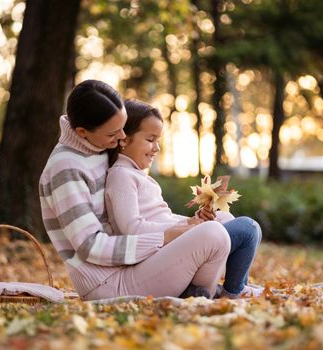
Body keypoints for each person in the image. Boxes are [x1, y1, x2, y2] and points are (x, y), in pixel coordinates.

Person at [39, 80, 230, 301]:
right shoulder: (65, 169)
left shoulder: (98, 147)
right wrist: (167, 236)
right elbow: (90, 246)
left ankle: (202, 290)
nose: (122, 138)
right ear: (82, 131)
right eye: (113, 132)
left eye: (123, 126)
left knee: (223, 221)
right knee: (213, 235)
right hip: (109, 281)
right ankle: (202, 295)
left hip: (138, 264)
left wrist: (188, 223)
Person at [105, 99, 262, 299]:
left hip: (170, 246)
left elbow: (163, 217)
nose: (157, 148)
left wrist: (194, 220)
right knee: (247, 228)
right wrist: (185, 228)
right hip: (156, 256)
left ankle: (236, 285)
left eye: (158, 140)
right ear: (124, 139)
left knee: (225, 218)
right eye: (150, 139)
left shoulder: (137, 175)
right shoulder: (121, 175)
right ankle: (234, 290)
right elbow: (131, 228)